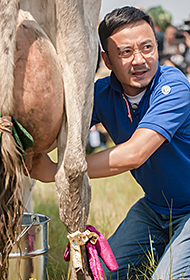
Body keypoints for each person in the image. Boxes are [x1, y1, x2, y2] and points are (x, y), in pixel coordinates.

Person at [30, 6, 190, 280]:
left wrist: (58, 171)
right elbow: (57, 129)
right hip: (154, 209)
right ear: (106, 59)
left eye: (147, 47)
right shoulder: (101, 94)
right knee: (98, 274)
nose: (140, 60)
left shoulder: (173, 85)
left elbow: (135, 153)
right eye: (126, 52)